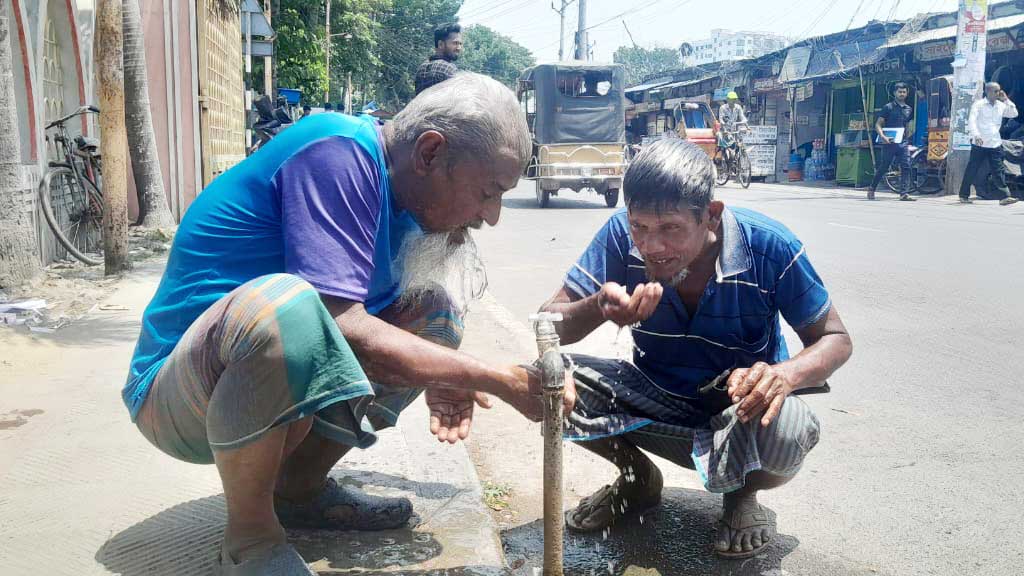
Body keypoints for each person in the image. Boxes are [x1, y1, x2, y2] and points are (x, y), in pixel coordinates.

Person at [123, 73, 573, 576]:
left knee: (435, 315)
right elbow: (343, 322)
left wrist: (443, 369)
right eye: (488, 192)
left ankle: (299, 490)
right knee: (290, 303)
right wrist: (491, 377)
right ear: (428, 153)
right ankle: (251, 538)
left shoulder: (409, 207)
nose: (491, 216)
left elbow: (371, 333)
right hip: (178, 400)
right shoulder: (337, 152)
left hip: (264, 393)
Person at [540, 139, 852, 559]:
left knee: (788, 426)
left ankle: (741, 497)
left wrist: (782, 376)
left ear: (711, 215)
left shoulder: (769, 246)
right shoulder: (620, 235)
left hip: (737, 412)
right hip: (656, 398)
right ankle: (637, 478)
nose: (651, 247)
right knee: (545, 379)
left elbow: (835, 339)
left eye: (670, 229)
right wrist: (598, 306)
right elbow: (548, 324)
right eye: (640, 228)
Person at [958, 82, 1020, 206]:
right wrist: (976, 135)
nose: (998, 93)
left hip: (995, 142)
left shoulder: (1001, 105)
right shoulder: (979, 105)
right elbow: (972, 120)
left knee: (998, 170)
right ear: (988, 92)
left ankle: (1005, 197)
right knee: (972, 169)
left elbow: (1014, 114)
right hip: (980, 143)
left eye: (999, 91)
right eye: (996, 91)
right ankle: (963, 195)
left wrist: (1006, 99)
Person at [868, 82, 915, 202]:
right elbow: (878, 124)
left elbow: (907, 125)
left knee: (906, 166)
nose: (902, 94)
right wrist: (883, 136)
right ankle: (872, 188)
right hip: (889, 143)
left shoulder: (908, 109)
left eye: (904, 92)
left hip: (903, 142)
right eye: (899, 92)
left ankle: (904, 193)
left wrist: (908, 136)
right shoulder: (888, 107)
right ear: (895, 93)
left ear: (907, 93)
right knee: (884, 166)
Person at [415, 23, 462, 95]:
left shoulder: (421, 68)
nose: (459, 48)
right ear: (440, 44)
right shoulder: (449, 69)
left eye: (460, 44)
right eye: (455, 43)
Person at [717, 92, 748, 163]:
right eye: (731, 99)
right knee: (725, 145)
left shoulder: (738, 107)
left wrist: (747, 127)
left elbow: (742, 117)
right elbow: (721, 120)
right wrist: (724, 130)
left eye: (734, 99)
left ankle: (737, 160)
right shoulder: (723, 108)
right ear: (727, 100)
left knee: (739, 144)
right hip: (725, 130)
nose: (733, 101)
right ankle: (725, 158)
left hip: (735, 130)